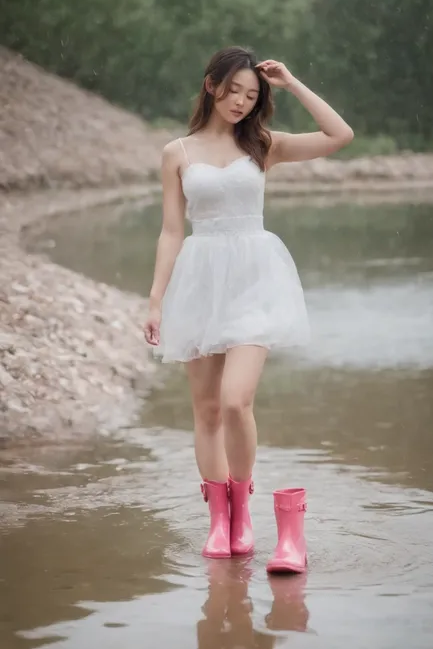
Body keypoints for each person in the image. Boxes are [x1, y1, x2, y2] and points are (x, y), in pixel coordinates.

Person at [144, 46, 353, 570]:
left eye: (252, 95)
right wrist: (155, 300)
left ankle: (246, 511)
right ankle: (222, 520)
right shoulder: (178, 152)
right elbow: (172, 231)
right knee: (207, 410)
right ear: (211, 85)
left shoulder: (262, 144)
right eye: (233, 90)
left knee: (236, 402)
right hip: (199, 277)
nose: (240, 102)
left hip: (255, 278)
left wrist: (291, 81)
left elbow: (339, 136)